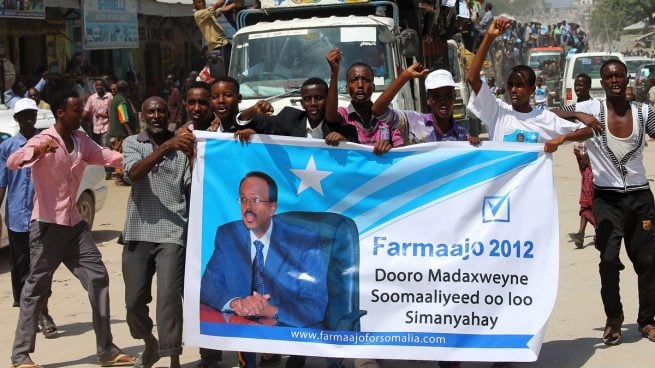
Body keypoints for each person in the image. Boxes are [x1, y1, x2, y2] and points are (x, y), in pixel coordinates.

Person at [7, 91, 133, 368]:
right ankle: (20, 355)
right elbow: (14, 161)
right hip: (47, 227)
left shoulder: (81, 140)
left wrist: (134, 157)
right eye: (77, 109)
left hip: (75, 226)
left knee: (98, 278)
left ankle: (107, 351)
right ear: (61, 113)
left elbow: (105, 156)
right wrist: (35, 151)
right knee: (36, 288)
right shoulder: (44, 140)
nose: (83, 113)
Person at [546, 59, 655, 346]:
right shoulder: (593, 108)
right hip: (606, 198)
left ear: (627, 79)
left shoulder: (643, 112)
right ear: (602, 82)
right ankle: (614, 319)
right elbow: (551, 112)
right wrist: (580, 116)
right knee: (608, 260)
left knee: (647, 261)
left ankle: (646, 320)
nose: (614, 80)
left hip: (640, 197)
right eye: (609, 77)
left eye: (619, 75)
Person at [200, 171, 328, 365]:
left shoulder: (303, 240)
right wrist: (236, 303)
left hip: (286, 321)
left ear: (272, 208)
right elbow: (208, 285)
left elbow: (316, 302)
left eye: (255, 200)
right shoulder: (228, 234)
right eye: (243, 199)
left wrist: (272, 310)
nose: (248, 207)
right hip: (243, 323)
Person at [121, 97, 194, 368]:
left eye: (161, 111)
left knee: (168, 297)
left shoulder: (184, 148)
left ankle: (173, 357)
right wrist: (165, 148)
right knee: (133, 303)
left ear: (170, 114)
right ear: (142, 114)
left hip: (173, 232)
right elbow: (132, 174)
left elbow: (190, 188)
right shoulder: (132, 143)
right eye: (150, 111)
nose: (156, 116)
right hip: (138, 231)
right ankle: (149, 342)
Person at [465, 17, 595, 144]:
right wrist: (489, 37)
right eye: (511, 85)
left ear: (532, 89)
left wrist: (562, 138)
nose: (513, 90)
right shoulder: (497, 112)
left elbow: (588, 131)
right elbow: (472, 78)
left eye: (520, 85)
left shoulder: (544, 118)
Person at [0, 98, 58, 339]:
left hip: (41, 215)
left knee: (42, 268)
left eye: (31, 115)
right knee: (21, 268)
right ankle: (27, 312)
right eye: (23, 115)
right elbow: (2, 181)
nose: (28, 119)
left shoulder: (47, 142)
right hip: (15, 215)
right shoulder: (8, 147)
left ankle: (44, 313)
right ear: (16, 119)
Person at [372, 66, 480, 145]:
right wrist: (404, 76)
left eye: (448, 97)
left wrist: (475, 145)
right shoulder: (412, 121)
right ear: (428, 99)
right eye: (437, 97)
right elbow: (378, 110)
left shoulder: (462, 135)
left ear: (454, 98)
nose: (443, 102)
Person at [324, 49, 403, 155]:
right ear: (347, 88)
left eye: (366, 80)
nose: (360, 85)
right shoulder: (343, 116)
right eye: (354, 80)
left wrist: (390, 149)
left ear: (373, 87)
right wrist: (334, 72)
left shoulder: (387, 118)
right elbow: (330, 114)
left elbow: (402, 153)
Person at [236, 77, 358, 146]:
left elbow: (358, 157)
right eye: (307, 99)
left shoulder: (343, 129)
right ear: (302, 103)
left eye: (319, 98)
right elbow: (243, 121)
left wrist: (344, 143)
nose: (313, 103)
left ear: (328, 101)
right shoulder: (288, 118)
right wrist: (253, 112)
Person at [554, 73, 595, 248]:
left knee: (587, 195)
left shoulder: (595, 106)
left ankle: (598, 230)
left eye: (582, 85)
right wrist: (577, 114)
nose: (578, 88)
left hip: (592, 157)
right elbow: (553, 113)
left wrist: (590, 155)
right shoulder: (575, 108)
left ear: (589, 86)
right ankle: (581, 233)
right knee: (589, 194)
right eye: (576, 85)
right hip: (580, 155)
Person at [193, 0, 236, 77]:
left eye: (203, 1)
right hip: (218, 45)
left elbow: (221, 10)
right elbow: (216, 6)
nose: (202, 4)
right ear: (195, 4)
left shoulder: (207, 12)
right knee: (226, 71)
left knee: (233, 65)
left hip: (223, 42)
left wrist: (237, 4)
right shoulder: (198, 14)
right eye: (199, 2)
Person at [108, 80, 138, 186]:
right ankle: (120, 179)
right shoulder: (121, 101)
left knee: (119, 155)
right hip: (120, 134)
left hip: (116, 133)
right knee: (121, 156)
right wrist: (130, 134)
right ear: (126, 89)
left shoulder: (116, 98)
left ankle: (120, 178)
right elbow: (124, 118)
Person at [84, 78, 113, 147]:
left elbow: (113, 114)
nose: (99, 87)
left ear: (104, 86)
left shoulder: (110, 96)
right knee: (97, 148)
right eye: (97, 85)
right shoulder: (92, 98)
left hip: (107, 128)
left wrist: (105, 115)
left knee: (105, 147)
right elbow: (86, 111)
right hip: (95, 129)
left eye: (101, 85)